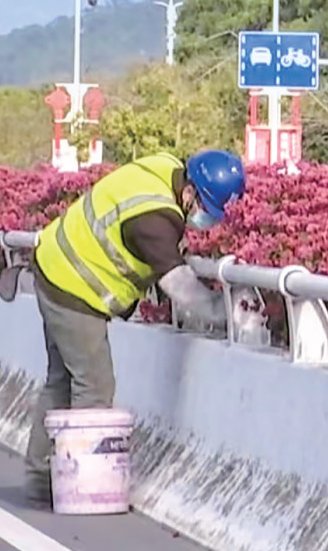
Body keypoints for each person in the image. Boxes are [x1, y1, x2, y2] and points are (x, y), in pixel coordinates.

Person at [22, 149, 245, 505]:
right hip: (75, 288)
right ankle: (80, 485)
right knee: (94, 385)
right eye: (204, 208)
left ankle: (41, 477)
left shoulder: (164, 168)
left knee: (62, 379)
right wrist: (229, 312)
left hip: (53, 263)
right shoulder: (155, 219)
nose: (203, 219)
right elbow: (181, 289)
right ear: (189, 193)